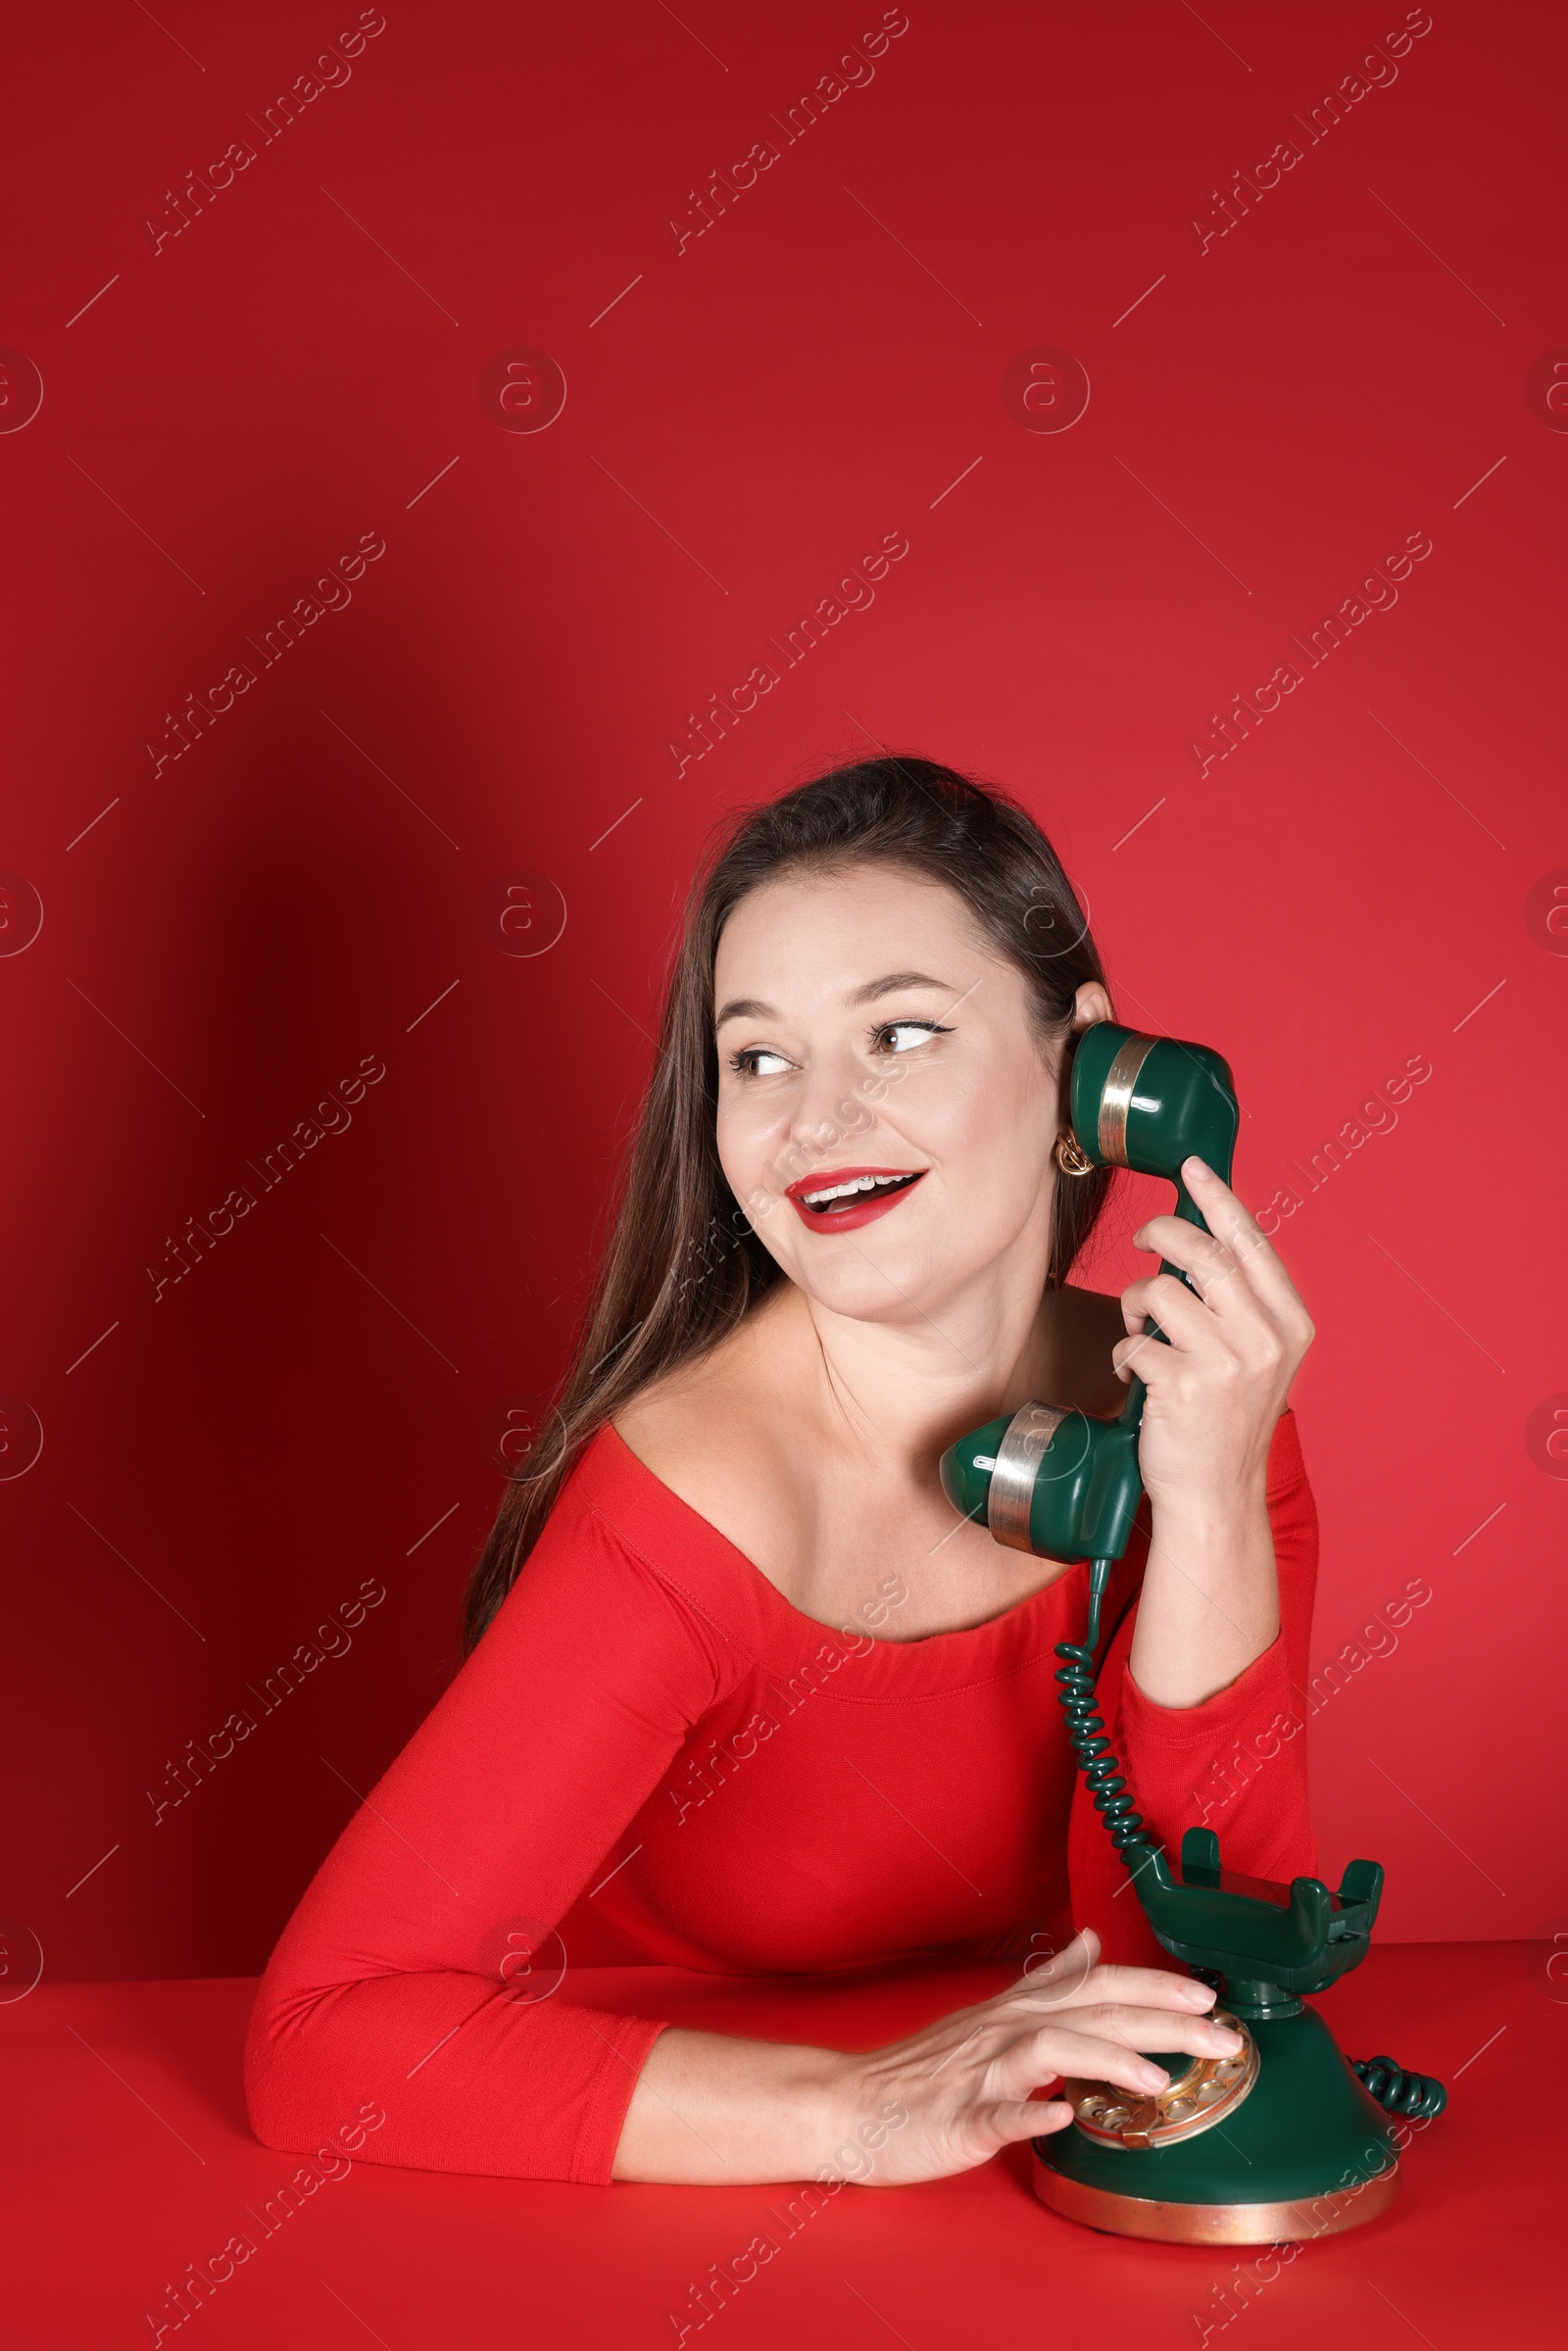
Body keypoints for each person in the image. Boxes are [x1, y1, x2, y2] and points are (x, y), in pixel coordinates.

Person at [245, 758, 1318, 2188]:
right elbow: (320, 2040)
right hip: (689, 2167)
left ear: (1097, 1076)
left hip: (1031, 2164)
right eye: (759, 1057)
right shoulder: (687, 1509)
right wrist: (856, 2112)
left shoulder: (1195, 1405)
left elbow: (1221, 1979)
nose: (815, 1120)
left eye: (901, 1033)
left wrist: (1206, 1509)